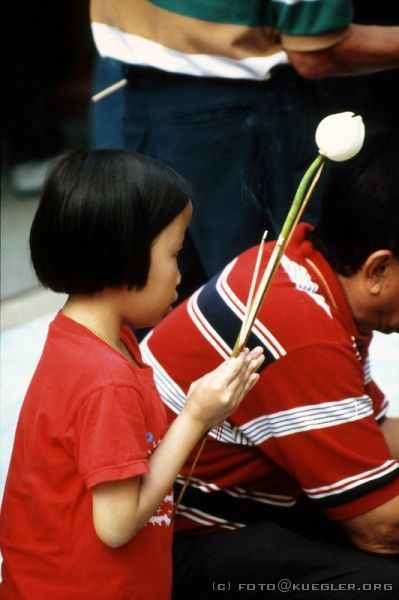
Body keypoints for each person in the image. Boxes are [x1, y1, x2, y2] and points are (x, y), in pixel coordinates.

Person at [0, 150, 264, 599]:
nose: (180, 277)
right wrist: (195, 419)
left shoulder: (91, 340)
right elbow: (118, 524)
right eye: (174, 255)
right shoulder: (105, 379)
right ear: (122, 256)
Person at [141, 140, 399, 599]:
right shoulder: (302, 331)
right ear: (378, 268)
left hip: (237, 520)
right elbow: (379, 526)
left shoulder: (300, 266)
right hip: (179, 546)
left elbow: (373, 432)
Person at [90, 0, 399, 300]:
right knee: (264, 306)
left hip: (141, 90)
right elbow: (316, 47)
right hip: (232, 115)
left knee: (162, 301)